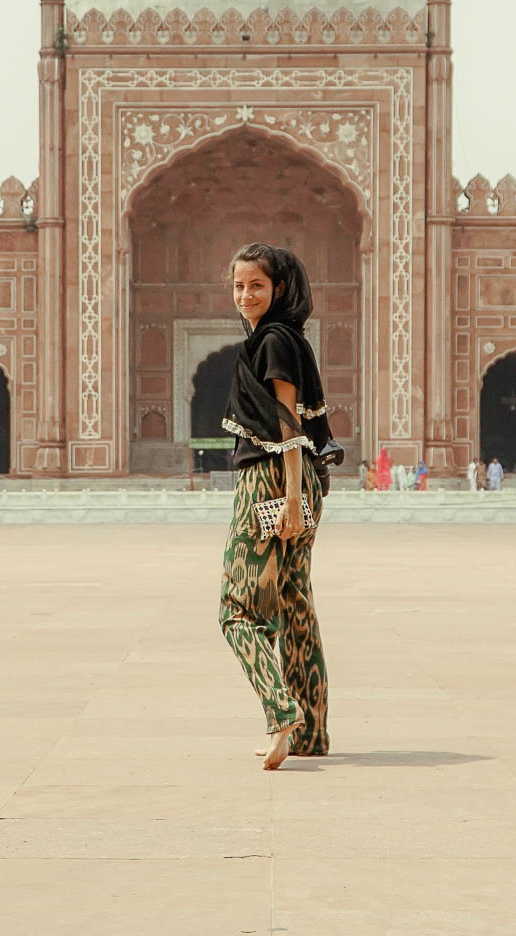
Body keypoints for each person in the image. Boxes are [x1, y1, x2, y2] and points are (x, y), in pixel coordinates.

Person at [219, 242, 333, 770]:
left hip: (271, 480)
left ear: (279, 288)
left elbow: (287, 423)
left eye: (256, 285)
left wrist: (288, 498)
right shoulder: (291, 338)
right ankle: (309, 730)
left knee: (238, 611)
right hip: (299, 480)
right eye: (239, 285)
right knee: (293, 604)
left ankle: (279, 710)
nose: (246, 295)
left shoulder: (272, 342)